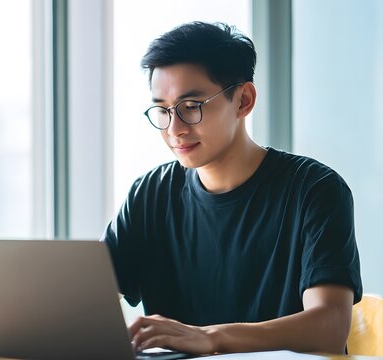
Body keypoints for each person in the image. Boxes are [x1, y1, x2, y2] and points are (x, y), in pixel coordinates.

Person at [101, 21, 362, 355]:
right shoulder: (150, 193)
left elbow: (329, 326)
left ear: (243, 101)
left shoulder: (314, 190)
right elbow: (86, 299)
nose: (174, 129)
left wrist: (211, 338)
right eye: (163, 111)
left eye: (190, 107)